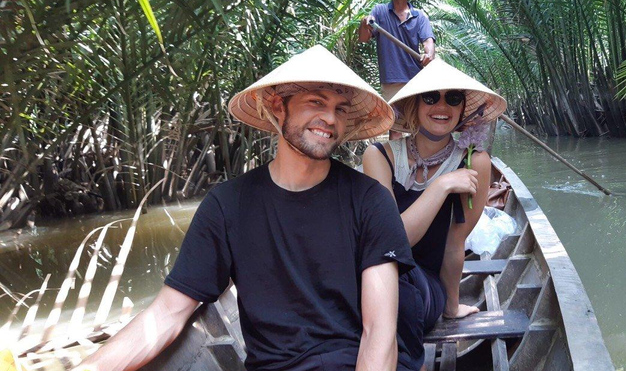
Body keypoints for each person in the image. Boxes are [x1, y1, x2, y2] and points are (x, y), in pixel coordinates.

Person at [75, 46, 417, 371]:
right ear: (277, 106)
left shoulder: (370, 200)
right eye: (316, 102)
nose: (329, 118)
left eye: (340, 109)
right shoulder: (227, 205)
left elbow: (380, 333)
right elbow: (168, 313)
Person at [361, 58, 507, 369]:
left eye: (452, 97)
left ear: (462, 108)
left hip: (423, 285)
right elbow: (390, 241)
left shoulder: (474, 162)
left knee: (399, 289)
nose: (441, 105)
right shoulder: (378, 156)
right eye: (431, 97)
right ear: (414, 104)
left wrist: (452, 308)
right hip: (375, 274)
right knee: (376, 276)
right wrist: (440, 186)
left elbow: (455, 244)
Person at [358, 0, 436, 103]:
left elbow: (428, 41)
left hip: (417, 81)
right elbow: (364, 38)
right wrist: (365, 23)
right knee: (395, 123)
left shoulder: (420, 16)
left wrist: (428, 54)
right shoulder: (379, 11)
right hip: (391, 82)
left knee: (415, 122)